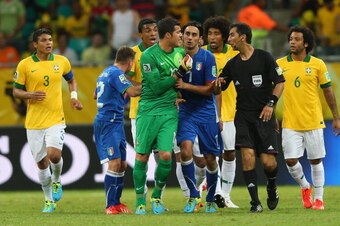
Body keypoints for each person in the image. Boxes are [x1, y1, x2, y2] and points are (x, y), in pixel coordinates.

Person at [215, 23, 285, 213]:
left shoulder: (264, 58)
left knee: (269, 163)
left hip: (264, 116)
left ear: (243, 37)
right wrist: (217, 83)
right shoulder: (233, 64)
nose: (228, 40)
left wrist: (271, 104)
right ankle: (255, 202)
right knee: (247, 157)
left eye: (231, 36)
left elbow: (280, 83)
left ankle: (271, 186)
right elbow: (219, 87)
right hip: (243, 117)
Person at [12, 28, 83, 213]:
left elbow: (71, 79)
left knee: (54, 156)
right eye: (44, 40)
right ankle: (48, 200)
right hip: (34, 121)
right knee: (42, 163)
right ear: (35, 44)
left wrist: (73, 96)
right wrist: (29, 94)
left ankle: (57, 179)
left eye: (50, 39)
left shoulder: (62, 61)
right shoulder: (25, 65)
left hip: (55, 118)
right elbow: (16, 91)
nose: (49, 43)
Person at [276, 25, 340, 211]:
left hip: (313, 120)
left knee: (315, 160)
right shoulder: (280, 64)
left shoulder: (318, 64)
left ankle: (319, 199)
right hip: (290, 122)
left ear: (305, 43)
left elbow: (328, 92)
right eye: (291, 39)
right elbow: (274, 90)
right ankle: (305, 186)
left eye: (296, 39)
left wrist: (336, 117)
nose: (292, 42)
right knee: (290, 160)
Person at [133, 17, 191, 215]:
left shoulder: (180, 53)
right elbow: (157, 87)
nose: (181, 36)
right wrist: (179, 74)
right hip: (148, 111)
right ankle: (140, 200)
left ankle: (156, 196)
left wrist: (181, 92)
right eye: (178, 33)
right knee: (141, 156)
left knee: (166, 156)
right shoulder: (148, 56)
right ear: (168, 35)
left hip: (169, 111)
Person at [176, 21, 221, 213]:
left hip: (205, 112)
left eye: (194, 35)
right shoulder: (176, 56)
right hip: (186, 111)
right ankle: (193, 196)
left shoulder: (208, 57)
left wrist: (185, 87)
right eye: (187, 34)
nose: (190, 37)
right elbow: (171, 84)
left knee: (210, 158)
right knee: (185, 151)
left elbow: (210, 89)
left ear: (200, 39)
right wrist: (176, 96)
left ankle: (210, 197)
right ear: (183, 35)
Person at [93, 46, 141, 215]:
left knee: (122, 164)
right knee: (114, 163)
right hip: (108, 122)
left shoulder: (106, 73)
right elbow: (134, 92)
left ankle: (116, 202)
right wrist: (154, 86)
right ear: (130, 62)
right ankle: (110, 205)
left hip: (115, 122)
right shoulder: (116, 74)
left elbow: (94, 95)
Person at [202, 16, 239, 209]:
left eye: (216, 33)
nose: (212, 37)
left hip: (231, 111)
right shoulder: (200, 54)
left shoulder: (234, 54)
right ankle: (213, 192)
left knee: (230, 153)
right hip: (206, 112)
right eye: (209, 33)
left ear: (224, 36)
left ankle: (225, 195)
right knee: (210, 155)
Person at [127, 18, 158, 157]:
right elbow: (126, 79)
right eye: (148, 31)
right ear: (140, 34)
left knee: (161, 155)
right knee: (142, 155)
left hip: (160, 111)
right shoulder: (132, 54)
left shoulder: (162, 52)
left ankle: (160, 180)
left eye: (155, 30)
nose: (153, 34)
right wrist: (147, 87)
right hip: (139, 112)